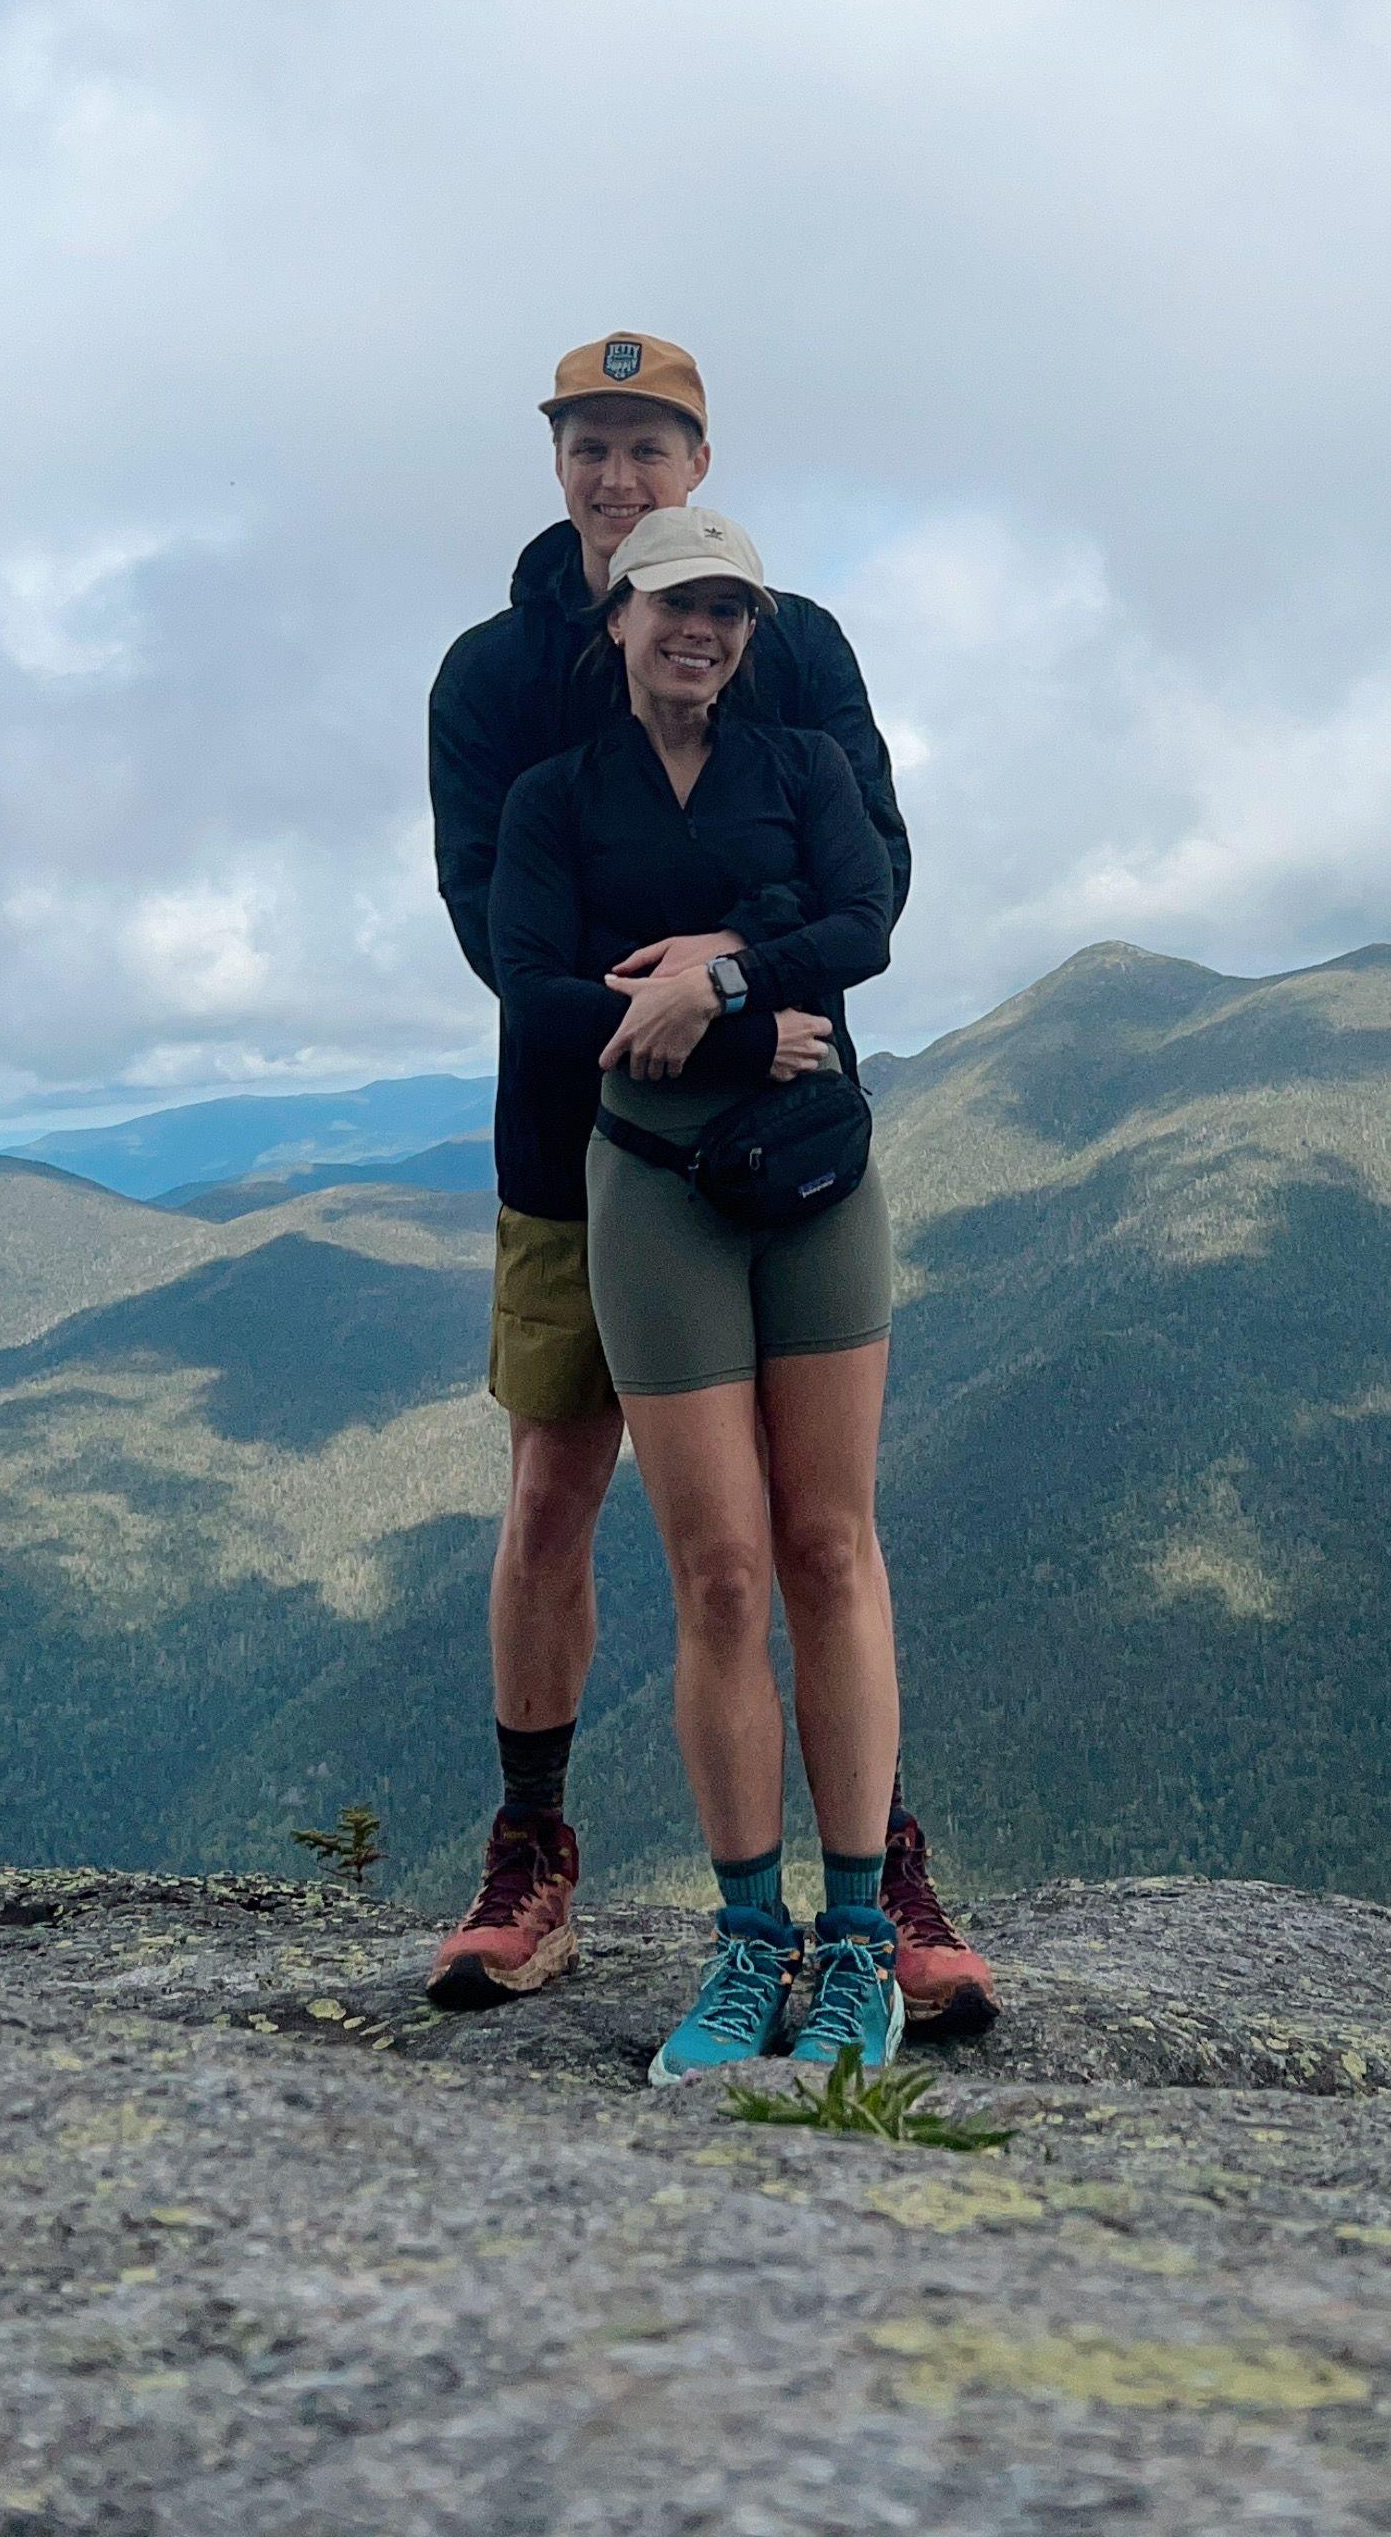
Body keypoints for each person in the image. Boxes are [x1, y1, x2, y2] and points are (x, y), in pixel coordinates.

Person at [420, 335, 994, 2035]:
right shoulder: (493, 679)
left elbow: (869, 876)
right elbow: (490, 931)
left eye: (647, 447)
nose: (617, 478)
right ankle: (532, 1855)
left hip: (781, 1137)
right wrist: (661, 1009)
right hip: (571, 1145)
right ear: (556, 465)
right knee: (555, 1495)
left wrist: (724, 975)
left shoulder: (792, 644)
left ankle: (874, 1866)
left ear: (701, 460)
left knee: (807, 1534)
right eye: (588, 447)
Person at [484, 503, 909, 2078]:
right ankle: (749, 1950)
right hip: (652, 1189)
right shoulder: (552, 797)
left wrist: (718, 971)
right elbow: (533, 993)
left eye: (729, 608)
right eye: (675, 602)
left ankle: (857, 1945)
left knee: (829, 1544)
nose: (703, 630)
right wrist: (740, 1018)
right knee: (720, 1572)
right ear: (621, 618)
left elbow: (863, 922)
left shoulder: (797, 764)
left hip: (811, 1179)